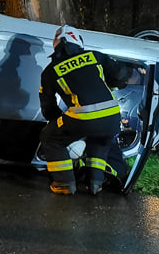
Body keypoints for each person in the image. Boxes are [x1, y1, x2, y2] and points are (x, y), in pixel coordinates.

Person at [38, 25, 130, 195]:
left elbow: (48, 108)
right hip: (112, 118)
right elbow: (121, 74)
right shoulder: (95, 57)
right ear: (78, 42)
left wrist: (63, 124)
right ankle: (95, 184)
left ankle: (64, 183)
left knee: (49, 137)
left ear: (56, 44)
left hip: (83, 118)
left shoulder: (50, 72)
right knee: (100, 142)